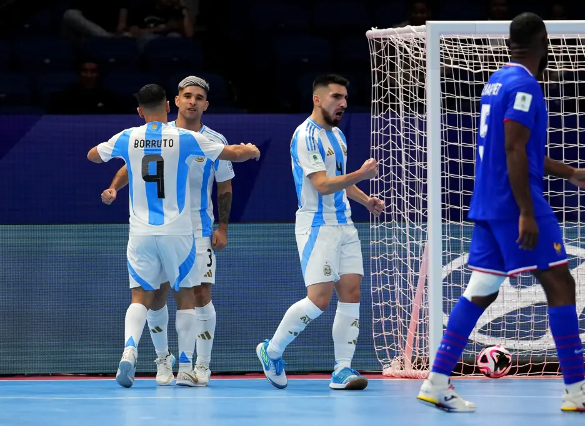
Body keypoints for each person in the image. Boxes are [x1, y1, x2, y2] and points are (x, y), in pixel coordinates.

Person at [416, 12, 585, 413]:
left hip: (487, 202)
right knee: (561, 283)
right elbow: (514, 148)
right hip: (514, 203)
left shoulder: (496, 83)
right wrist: (526, 212)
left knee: (480, 289)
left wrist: (570, 173)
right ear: (543, 43)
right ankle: (577, 390)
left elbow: (518, 148)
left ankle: (436, 381)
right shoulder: (525, 85)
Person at [87, 84, 259, 388]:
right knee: (182, 298)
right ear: (172, 103)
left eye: (199, 97)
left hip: (157, 230)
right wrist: (250, 150)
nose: (192, 102)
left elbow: (95, 155)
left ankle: (144, 353)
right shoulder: (186, 139)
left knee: (151, 296)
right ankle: (173, 363)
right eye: (187, 97)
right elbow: (234, 154)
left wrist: (222, 227)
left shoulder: (131, 135)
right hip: (179, 231)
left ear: (140, 111)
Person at [256, 74, 384, 390]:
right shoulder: (305, 136)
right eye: (335, 97)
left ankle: (342, 369)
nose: (342, 103)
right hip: (317, 225)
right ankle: (271, 351)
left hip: (345, 226)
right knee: (319, 300)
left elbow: (340, 180)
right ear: (317, 98)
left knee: (351, 294)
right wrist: (363, 173)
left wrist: (366, 199)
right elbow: (322, 184)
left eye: (344, 99)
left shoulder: (338, 136)